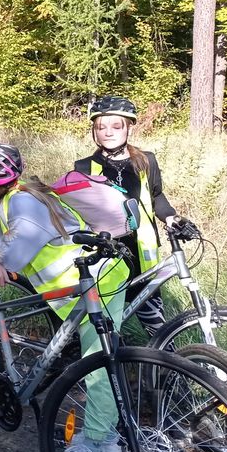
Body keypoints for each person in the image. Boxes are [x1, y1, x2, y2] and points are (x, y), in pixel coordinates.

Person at [0, 142, 129, 452]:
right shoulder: (14, 196)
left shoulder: (22, 202)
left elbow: (13, 252)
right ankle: (107, 437)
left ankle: (94, 451)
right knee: (95, 362)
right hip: (80, 288)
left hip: (94, 285)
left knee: (97, 368)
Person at [74, 96, 177, 339]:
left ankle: (167, 373)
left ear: (129, 127)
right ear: (94, 131)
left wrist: (172, 218)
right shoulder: (84, 167)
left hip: (142, 254)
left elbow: (156, 196)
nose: (108, 132)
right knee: (106, 328)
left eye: (116, 126)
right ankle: (109, 369)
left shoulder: (146, 160)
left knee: (157, 327)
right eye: (101, 127)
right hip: (105, 255)